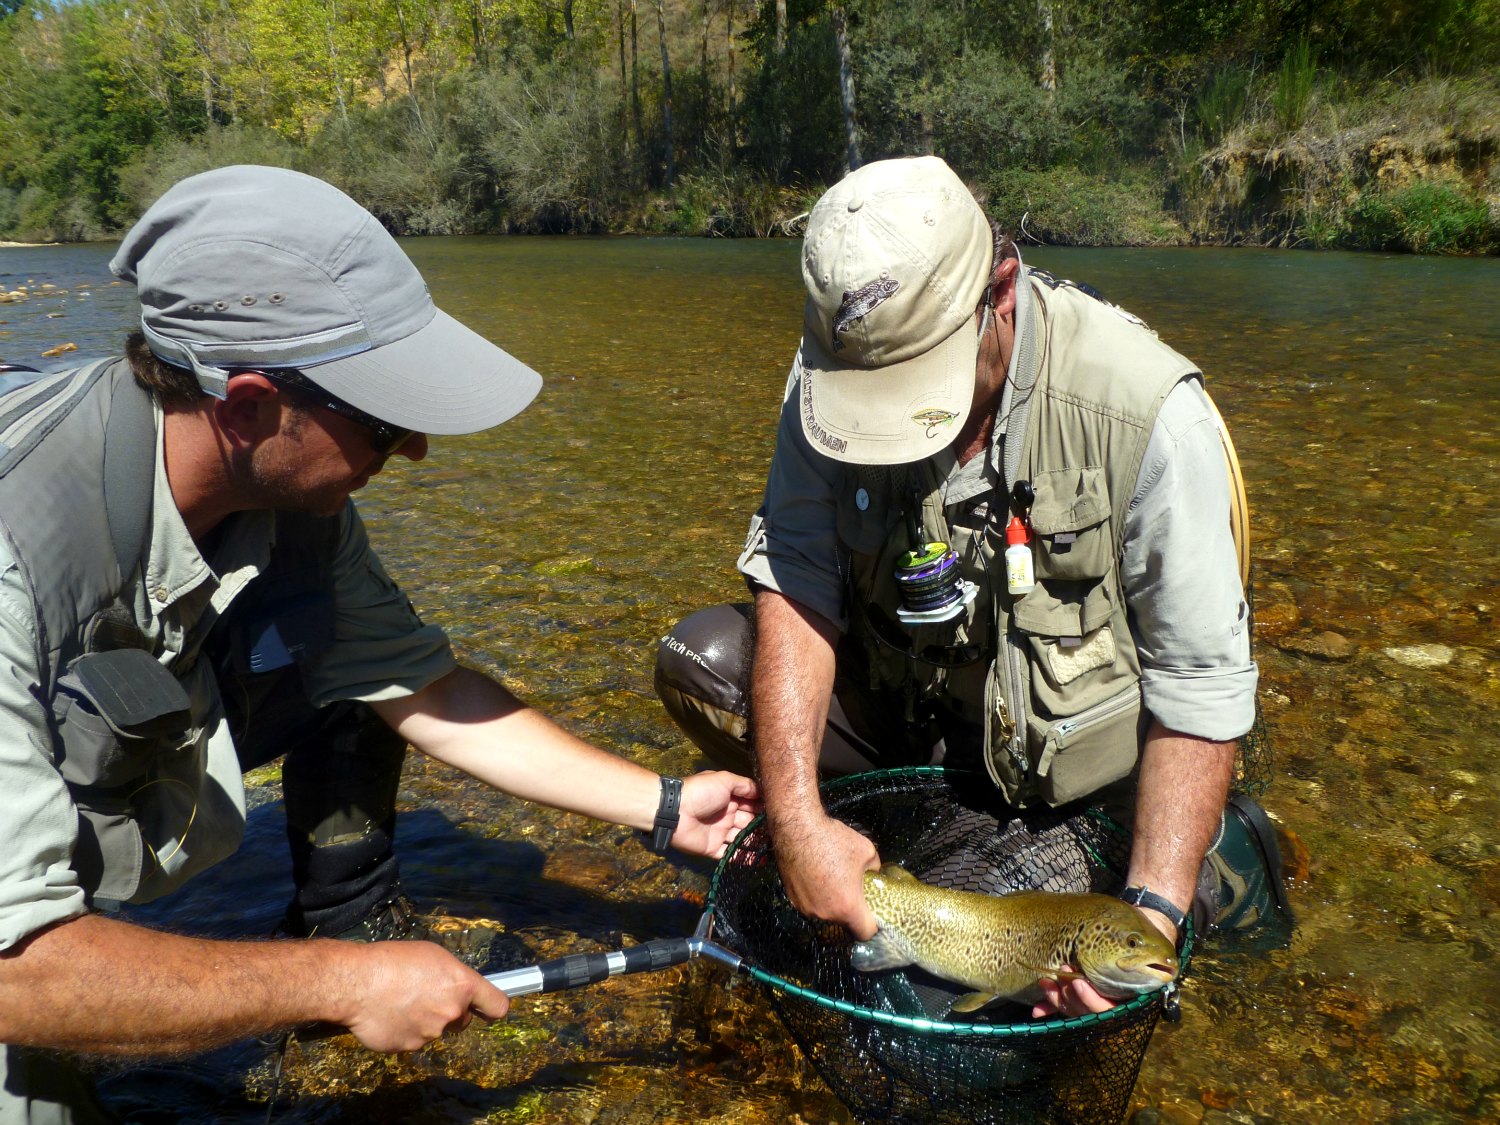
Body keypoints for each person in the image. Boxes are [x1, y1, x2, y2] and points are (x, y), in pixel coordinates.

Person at [0, 165, 759, 1124]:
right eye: (385, 418)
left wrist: (661, 807)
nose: (416, 450)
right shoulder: (14, 556)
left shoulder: (286, 491)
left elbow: (419, 686)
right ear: (245, 407)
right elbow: (14, 973)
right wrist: (340, 983)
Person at [654, 155, 1291, 1018]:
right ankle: (899, 830)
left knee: (941, 1003)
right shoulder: (831, 372)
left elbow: (1199, 682)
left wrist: (1154, 905)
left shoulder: (1148, 413)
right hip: (913, 705)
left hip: (1068, 768)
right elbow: (797, 578)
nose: (888, 418)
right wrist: (800, 826)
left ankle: (1206, 863)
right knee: (704, 660)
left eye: (915, 384)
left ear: (1000, 290)